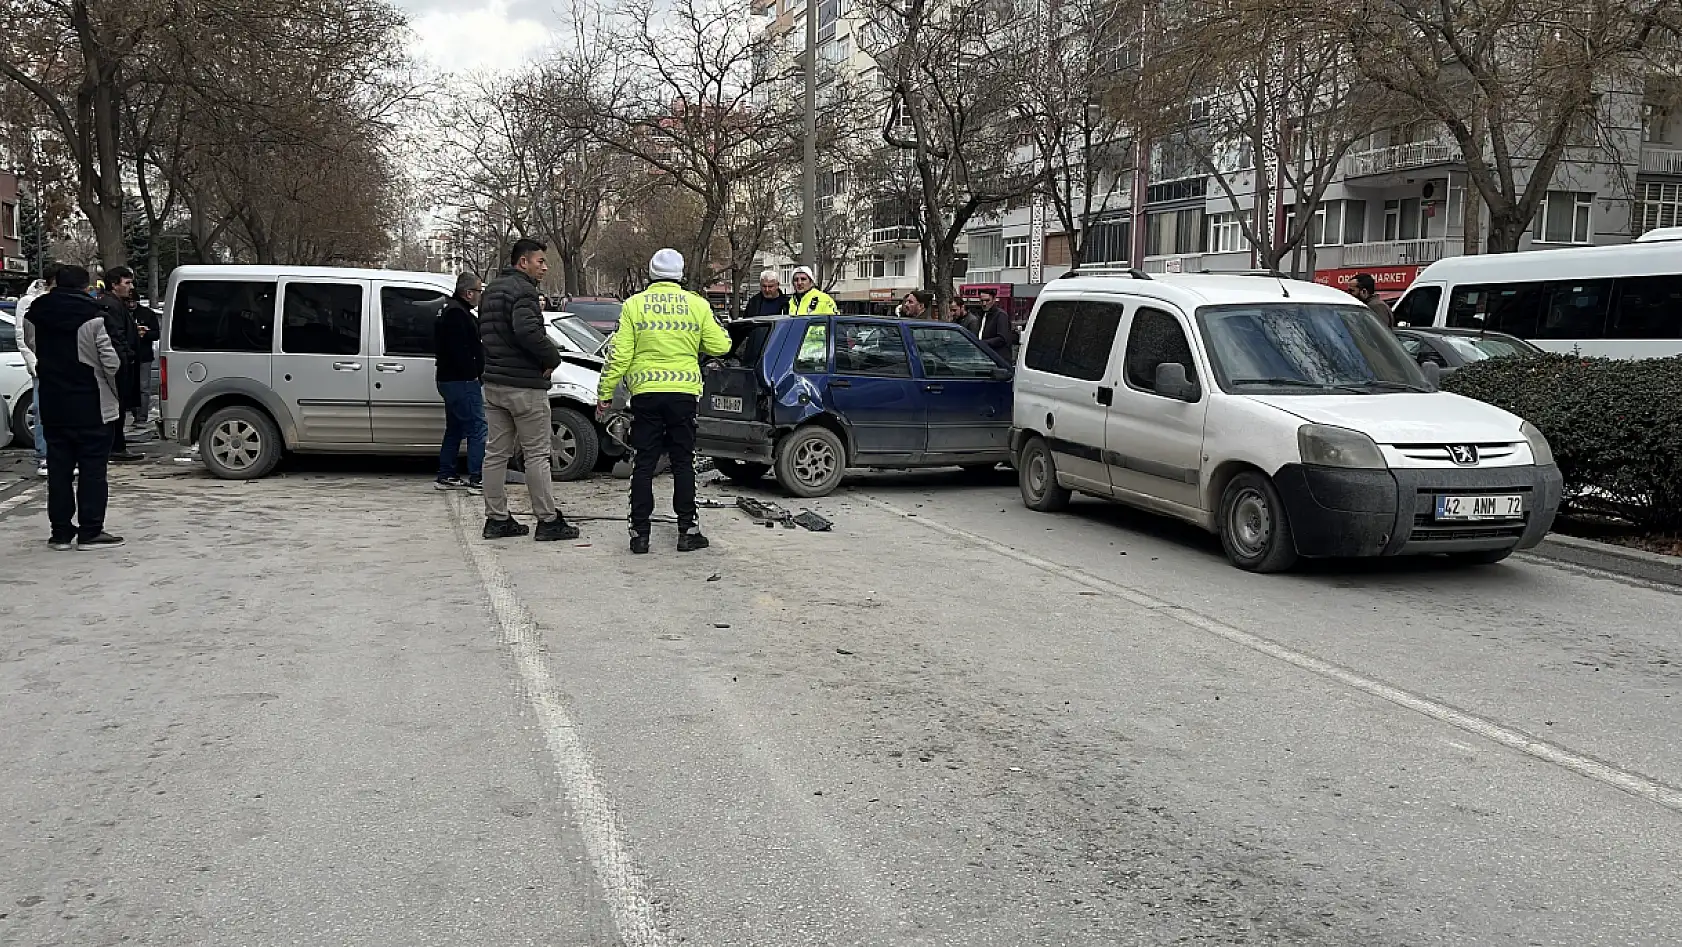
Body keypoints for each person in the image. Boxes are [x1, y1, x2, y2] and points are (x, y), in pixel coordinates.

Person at [597, 248, 731, 555]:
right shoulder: (697, 304)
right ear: (680, 275)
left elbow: (619, 355)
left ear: (651, 274)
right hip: (683, 394)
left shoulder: (634, 305)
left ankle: (639, 535)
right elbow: (721, 345)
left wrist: (605, 394)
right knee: (683, 462)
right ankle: (688, 531)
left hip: (646, 394)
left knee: (644, 463)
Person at [478, 239, 579, 542]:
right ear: (523, 262)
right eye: (540, 262)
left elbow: (487, 333)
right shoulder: (523, 291)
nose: (544, 267)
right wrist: (552, 358)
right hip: (524, 386)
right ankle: (548, 521)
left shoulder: (491, 290)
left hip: (494, 383)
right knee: (536, 455)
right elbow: (526, 330)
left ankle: (496, 519)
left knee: (495, 454)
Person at [22, 264, 124, 550]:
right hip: (92, 403)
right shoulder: (93, 316)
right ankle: (91, 531)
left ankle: (61, 533)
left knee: (59, 471)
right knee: (93, 471)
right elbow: (111, 362)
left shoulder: (35, 315)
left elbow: (32, 345)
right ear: (85, 286)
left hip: (53, 402)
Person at [434, 272, 486, 494]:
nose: (480, 296)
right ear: (468, 293)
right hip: (461, 380)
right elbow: (461, 350)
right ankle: (478, 478)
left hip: (450, 379)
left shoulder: (451, 310)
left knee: (455, 428)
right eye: (478, 291)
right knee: (477, 427)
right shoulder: (457, 315)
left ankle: (446, 474)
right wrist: (473, 374)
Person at [14, 264, 58, 477]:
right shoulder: (29, 302)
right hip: (41, 365)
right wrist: (34, 365)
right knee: (41, 411)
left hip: (61, 364)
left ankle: (61, 455)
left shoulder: (59, 301)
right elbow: (22, 337)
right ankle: (44, 455)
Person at [98, 267, 144, 463]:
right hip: (119, 364)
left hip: (123, 361)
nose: (130, 287)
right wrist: (127, 356)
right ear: (114, 285)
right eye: (127, 283)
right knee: (117, 406)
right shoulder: (111, 305)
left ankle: (117, 445)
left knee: (121, 406)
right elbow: (116, 335)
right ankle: (115, 447)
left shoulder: (117, 304)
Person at [131, 296, 159, 428]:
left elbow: (156, 334)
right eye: (128, 302)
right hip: (128, 356)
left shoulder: (147, 314)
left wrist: (145, 333)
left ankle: (142, 416)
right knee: (131, 387)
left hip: (144, 355)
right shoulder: (122, 313)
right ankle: (135, 414)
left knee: (143, 387)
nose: (131, 304)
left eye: (133, 301)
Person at [976, 288, 1018, 359]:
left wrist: (982, 343)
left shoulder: (1001, 315)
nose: (984, 304)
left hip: (998, 358)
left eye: (987, 300)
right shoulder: (982, 315)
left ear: (994, 299)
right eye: (982, 301)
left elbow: (1002, 339)